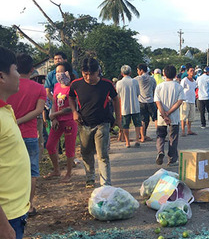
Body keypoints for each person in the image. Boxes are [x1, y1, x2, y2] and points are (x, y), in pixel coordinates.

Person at [0, 47, 31, 239]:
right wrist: (2, 223)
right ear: (1, 76)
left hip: (13, 214)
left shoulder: (5, 109)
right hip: (5, 217)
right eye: (15, 70)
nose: (19, 75)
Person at [68, 57, 121, 188]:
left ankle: (105, 183)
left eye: (92, 74)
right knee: (86, 152)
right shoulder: (76, 84)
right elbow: (71, 97)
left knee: (102, 154)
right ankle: (90, 177)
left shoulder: (107, 84)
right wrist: (74, 111)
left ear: (98, 71)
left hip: (102, 123)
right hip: (84, 123)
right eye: (85, 74)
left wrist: (118, 118)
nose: (88, 77)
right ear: (82, 72)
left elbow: (116, 99)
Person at [7, 53, 46, 218]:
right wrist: (21, 120)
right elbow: (38, 111)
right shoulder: (39, 88)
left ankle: (12, 205)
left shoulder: (8, 86)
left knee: (10, 169)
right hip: (29, 134)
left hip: (8, 134)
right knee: (31, 170)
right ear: (32, 69)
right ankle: (29, 206)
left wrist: (13, 121)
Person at [44, 63, 78, 182]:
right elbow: (54, 102)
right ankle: (56, 170)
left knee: (69, 148)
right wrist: (53, 118)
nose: (58, 75)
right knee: (49, 145)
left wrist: (55, 115)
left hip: (69, 121)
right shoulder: (57, 86)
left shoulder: (73, 87)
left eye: (60, 72)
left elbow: (72, 107)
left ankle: (68, 173)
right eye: (56, 72)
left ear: (68, 73)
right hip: (57, 121)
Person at [154, 65, 185, 166]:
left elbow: (158, 102)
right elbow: (179, 102)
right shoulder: (178, 86)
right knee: (173, 138)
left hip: (161, 116)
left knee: (160, 136)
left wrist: (164, 114)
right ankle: (172, 159)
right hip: (174, 117)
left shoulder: (159, 87)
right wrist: (169, 113)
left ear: (164, 74)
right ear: (175, 74)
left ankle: (160, 151)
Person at [116, 65, 142, 148]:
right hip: (135, 106)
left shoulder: (119, 83)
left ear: (121, 73)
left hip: (124, 107)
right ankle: (137, 140)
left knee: (125, 125)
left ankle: (127, 142)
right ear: (130, 72)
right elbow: (138, 93)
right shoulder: (134, 81)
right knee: (137, 124)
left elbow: (118, 96)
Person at [135, 63, 157, 142]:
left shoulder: (137, 79)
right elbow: (155, 90)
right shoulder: (152, 79)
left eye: (138, 70)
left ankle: (143, 137)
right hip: (151, 101)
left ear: (141, 70)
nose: (137, 72)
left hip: (141, 101)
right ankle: (159, 135)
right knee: (155, 118)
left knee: (143, 120)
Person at [180, 66, 197, 137]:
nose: (192, 72)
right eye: (191, 71)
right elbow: (181, 89)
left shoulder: (194, 81)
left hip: (192, 100)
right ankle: (183, 130)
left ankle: (189, 130)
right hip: (185, 100)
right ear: (188, 72)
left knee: (191, 117)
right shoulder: (185, 80)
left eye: (193, 71)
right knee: (183, 116)